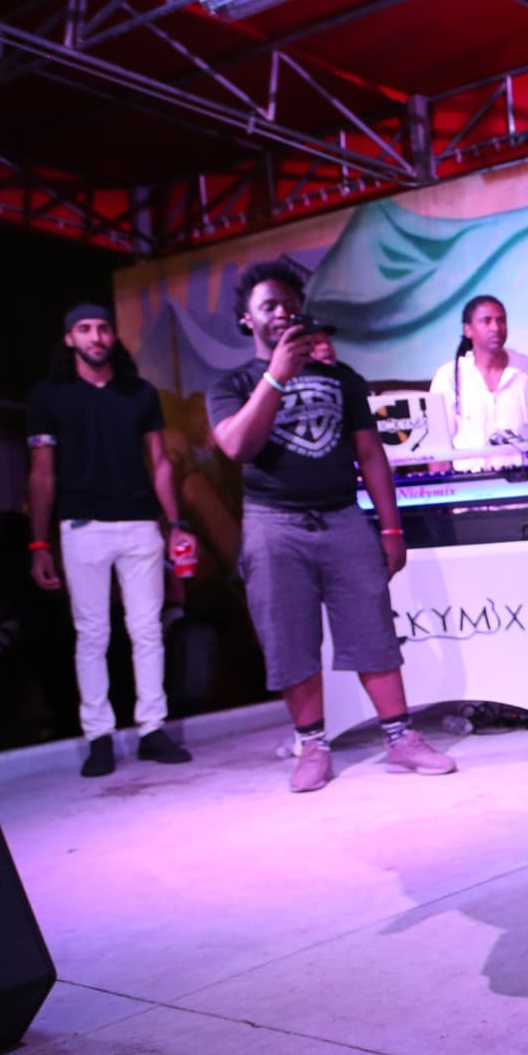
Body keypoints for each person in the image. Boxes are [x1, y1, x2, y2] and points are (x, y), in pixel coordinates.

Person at [206, 260, 457, 793]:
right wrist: (276, 376)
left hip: (344, 518)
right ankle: (313, 746)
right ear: (247, 320)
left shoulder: (342, 379)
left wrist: (391, 529)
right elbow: (237, 445)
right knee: (289, 638)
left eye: (288, 303)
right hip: (273, 524)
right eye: (267, 306)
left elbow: (371, 456)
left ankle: (400, 739)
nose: (281, 312)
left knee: (373, 630)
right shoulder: (233, 384)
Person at [25, 302, 195, 776]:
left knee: (147, 629)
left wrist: (175, 522)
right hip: (81, 525)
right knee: (92, 633)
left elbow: (160, 462)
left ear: (113, 337)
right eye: (84, 329)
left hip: (140, 523)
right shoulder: (49, 395)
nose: (96, 336)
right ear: (69, 339)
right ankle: (98, 735)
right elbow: (41, 475)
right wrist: (38, 543)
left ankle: (151, 729)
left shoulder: (138, 392)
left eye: (102, 328)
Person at [427, 295, 528, 472]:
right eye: (486, 321)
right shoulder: (448, 376)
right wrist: (444, 493)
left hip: (524, 488)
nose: (496, 328)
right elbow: (438, 446)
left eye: (501, 321)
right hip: (468, 490)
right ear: (468, 330)